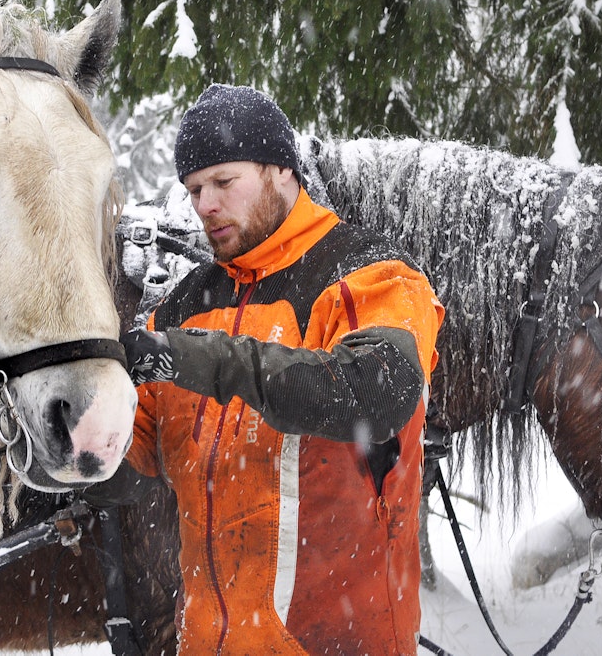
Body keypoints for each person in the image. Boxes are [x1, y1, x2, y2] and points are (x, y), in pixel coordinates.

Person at [104, 84, 444, 655]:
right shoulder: (183, 306)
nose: (204, 204)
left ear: (281, 169)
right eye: (193, 189)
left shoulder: (371, 275)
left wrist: (197, 358)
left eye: (222, 182)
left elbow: (376, 394)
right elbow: (129, 456)